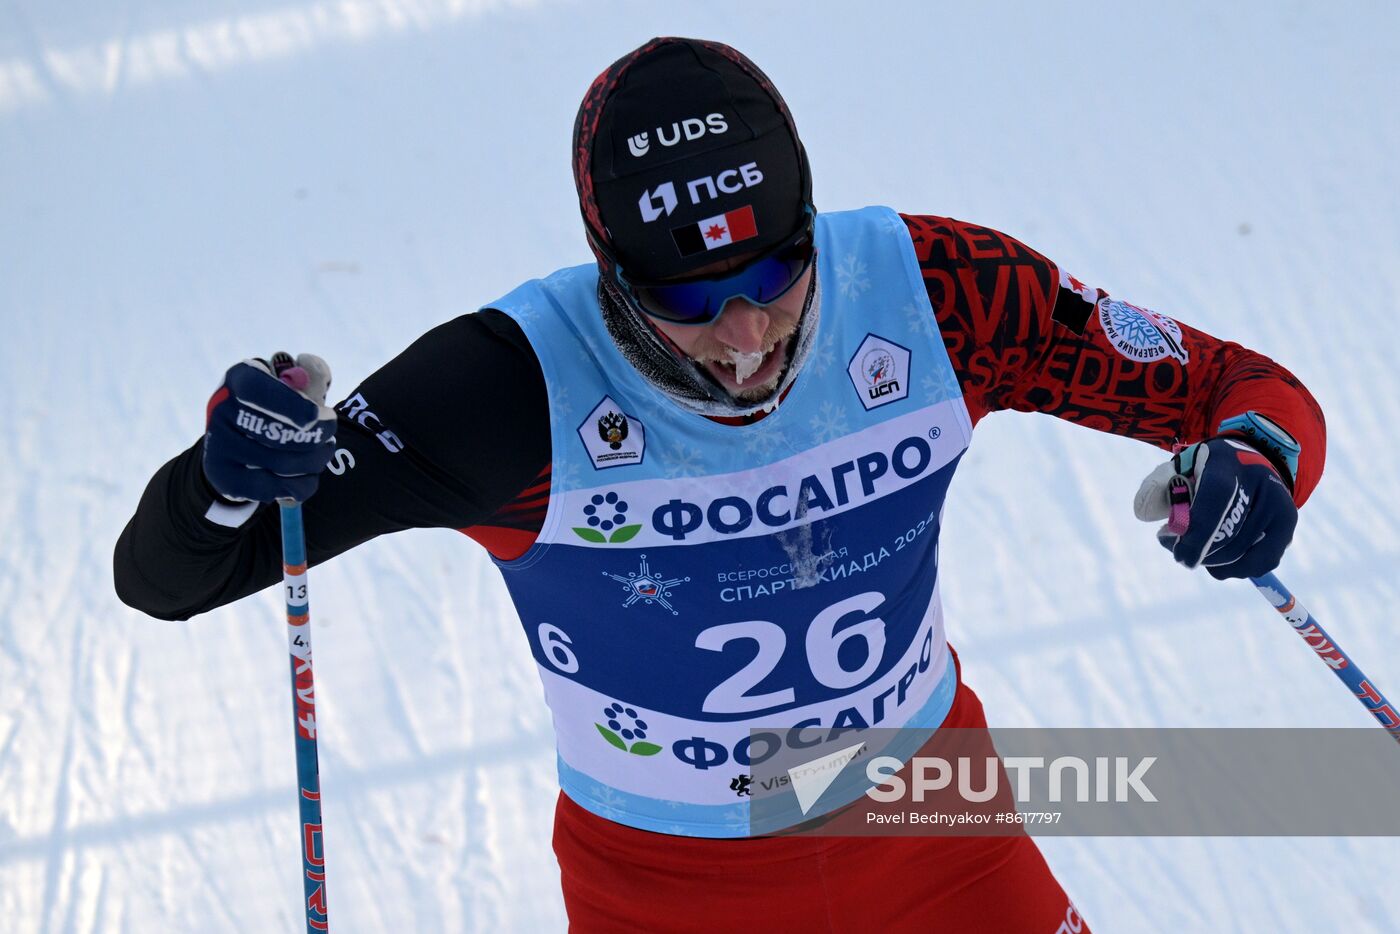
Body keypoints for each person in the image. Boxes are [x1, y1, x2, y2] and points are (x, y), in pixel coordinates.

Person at [115, 36, 1324, 932]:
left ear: (813, 224)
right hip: (668, 890)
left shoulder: (936, 292)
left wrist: (1257, 463)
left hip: (937, 835)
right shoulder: (504, 387)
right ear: (607, 271)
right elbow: (177, 573)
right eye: (685, 302)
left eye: (773, 274)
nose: (742, 336)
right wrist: (224, 476)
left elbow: (1233, 384)